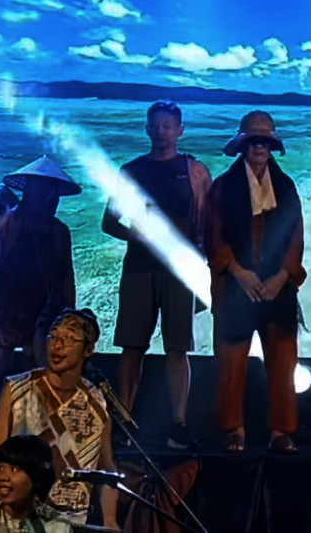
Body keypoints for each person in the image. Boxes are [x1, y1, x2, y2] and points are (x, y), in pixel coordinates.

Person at [103, 101, 212, 451]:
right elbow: (109, 222)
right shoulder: (131, 171)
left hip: (180, 269)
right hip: (139, 267)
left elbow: (209, 225)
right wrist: (142, 235)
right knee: (132, 346)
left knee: (178, 348)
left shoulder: (194, 171)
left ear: (180, 130)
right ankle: (124, 423)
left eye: (168, 126)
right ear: (147, 129)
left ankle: (179, 424)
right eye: (156, 125)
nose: (162, 131)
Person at [204, 111, 306, 455]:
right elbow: (212, 235)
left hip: (278, 286)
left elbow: (296, 236)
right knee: (231, 361)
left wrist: (282, 275)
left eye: (265, 141)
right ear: (243, 146)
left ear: (272, 147)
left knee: (283, 360)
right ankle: (234, 428)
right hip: (237, 284)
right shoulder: (222, 187)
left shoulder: (286, 186)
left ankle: (281, 430)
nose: (259, 147)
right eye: (253, 141)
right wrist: (237, 270)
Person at [0, 310, 118, 528]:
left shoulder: (96, 402)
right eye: (53, 336)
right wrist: (9, 504)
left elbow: (106, 468)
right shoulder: (17, 389)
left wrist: (110, 520)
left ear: (88, 349)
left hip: (68, 521)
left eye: (69, 338)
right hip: (16, 518)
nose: (58, 344)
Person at [0, 156, 82, 378]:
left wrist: (69, 312)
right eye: (37, 186)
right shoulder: (11, 219)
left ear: (53, 194)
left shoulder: (59, 230)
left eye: (47, 187)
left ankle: (29, 412)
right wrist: (0, 227)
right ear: (27, 188)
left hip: (44, 306)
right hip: (8, 300)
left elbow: (67, 273)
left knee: (37, 369)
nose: (41, 192)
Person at [0, 435, 71, 533]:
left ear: (35, 476)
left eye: (13, 470)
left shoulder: (58, 526)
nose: (4, 477)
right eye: (0, 468)